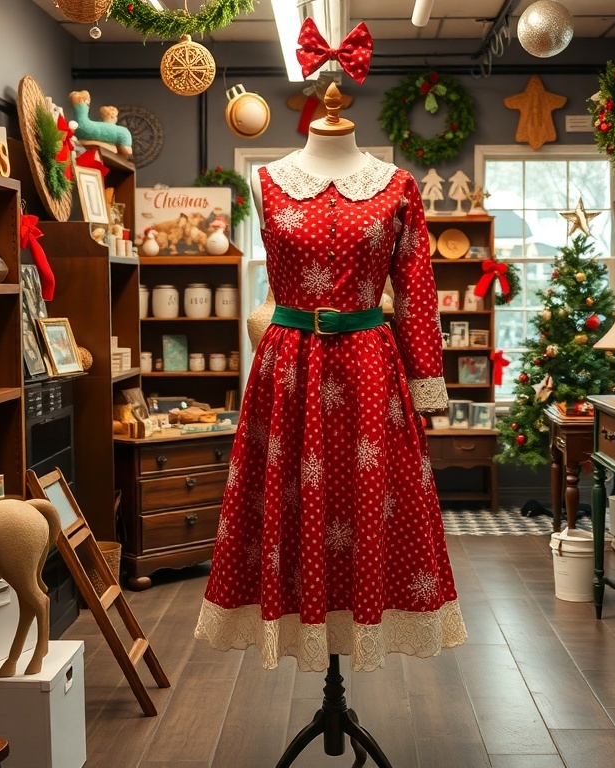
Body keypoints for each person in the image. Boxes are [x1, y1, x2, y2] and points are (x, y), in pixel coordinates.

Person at [195, 84, 466, 674]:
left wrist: (426, 386)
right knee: (294, 495)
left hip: (370, 365)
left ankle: (360, 618)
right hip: (288, 367)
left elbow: (418, 294)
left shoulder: (397, 186)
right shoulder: (266, 180)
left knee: (371, 498)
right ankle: (301, 620)